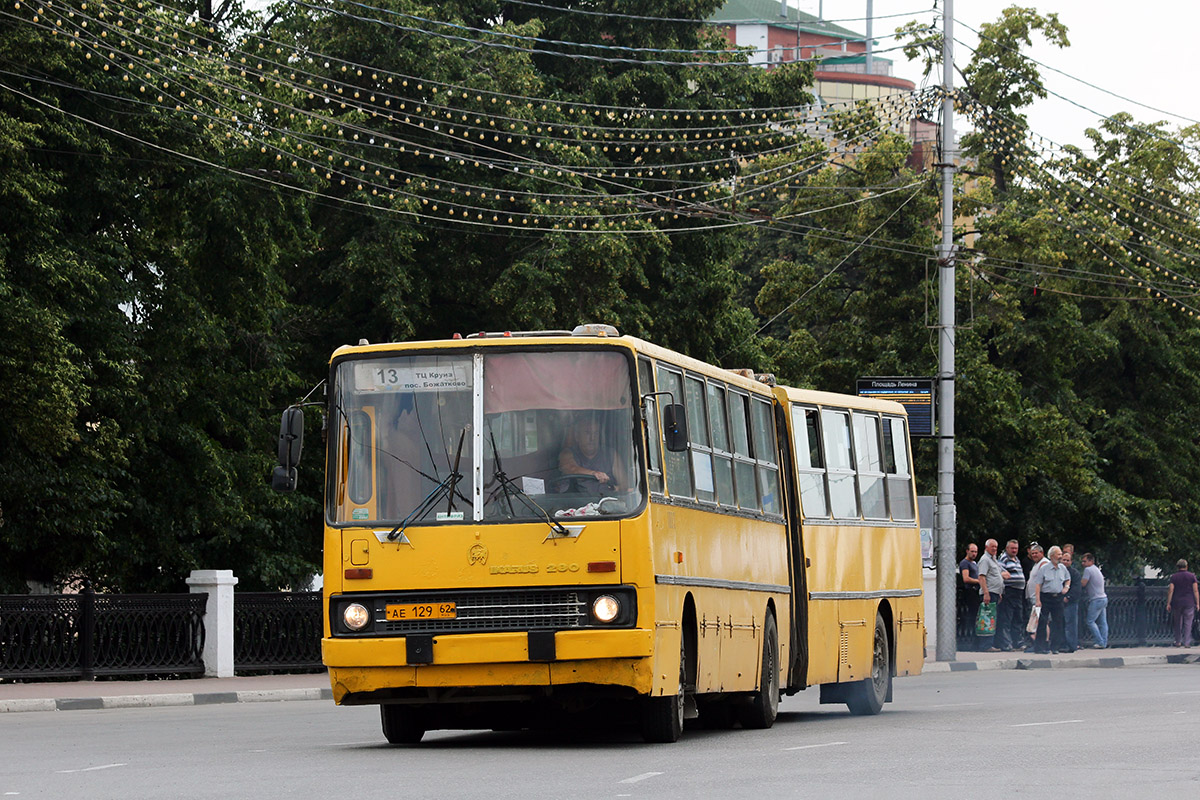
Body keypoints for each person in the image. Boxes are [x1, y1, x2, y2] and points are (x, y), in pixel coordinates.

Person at [559, 413, 625, 491]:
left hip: (605, 501)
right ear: (577, 436)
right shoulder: (567, 453)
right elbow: (571, 469)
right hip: (573, 502)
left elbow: (625, 484)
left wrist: (615, 489)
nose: (592, 438)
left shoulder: (611, 454)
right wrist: (594, 474)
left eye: (596, 433)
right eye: (587, 433)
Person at [1031, 545, 1070, 654]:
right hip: (1046, 597)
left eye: (1061, 554)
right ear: (1052, 556)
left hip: (1057, 598)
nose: (1060, 557)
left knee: (1058, 622)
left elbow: (1068, 579)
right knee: (1043, 622)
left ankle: (1055, 647)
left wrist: (1066, 587)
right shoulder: (1044, 568)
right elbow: (1038, 585)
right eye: (1058, 554)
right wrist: (1037, 600)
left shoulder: (1063, 568)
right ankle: (1040, 647)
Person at [975, 539, 1006, 652]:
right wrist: (986, 593)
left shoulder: (994, 560)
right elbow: (982, 577)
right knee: (987, 619)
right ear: (986, 547)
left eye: (996, 547)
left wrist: (1000, 592)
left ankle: (991, 643)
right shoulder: (985, 560)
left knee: (992, 619)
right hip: (989, 593)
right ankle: (986, 645)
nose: (994, 549)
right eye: (992, 546)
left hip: (995, 593)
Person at [997, 539, 1026, 651]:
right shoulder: (1004, 558)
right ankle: (1006, 643)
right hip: (1009, 591)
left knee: (1018, 618)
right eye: (1012, 548)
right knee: (1006, 618)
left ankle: (1018, 642)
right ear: (1007, 548)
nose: (1014, 550)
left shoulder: (1017, 559)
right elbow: (1000, 572)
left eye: (1016, 548)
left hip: (1018, 593)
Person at [1166, 559, 1199, 648]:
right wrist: (1198, 603)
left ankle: (1178, 641)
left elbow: (1171, 590)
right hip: (1189, 602)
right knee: (1188, 622)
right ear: (1186, 566)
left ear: (1178, 567)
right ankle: (1187, 642)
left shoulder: (1174, 577)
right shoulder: (1192, 576)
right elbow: (1195, 590)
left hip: (1177, 602)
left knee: (1177, 622)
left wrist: (1168, 603)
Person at [1080, 553, 1108, 649]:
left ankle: (1099, 642)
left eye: (1085, 561)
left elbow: (1083, 583)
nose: (1083, 563)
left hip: (1096, 599)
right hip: (1103, 598)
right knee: (1103, 622)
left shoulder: (1088, 570)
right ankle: (1104, 642)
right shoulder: (1096, 569)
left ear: (1091, 561)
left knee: (1090, 621)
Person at [1024, 543, 1048, 650]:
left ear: (1042, 553)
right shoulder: (1037, 564)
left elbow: (1042, 581)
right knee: (1036, 621)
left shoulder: (1044, 563)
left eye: (1036, 553)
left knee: (1040, 621)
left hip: (1038, 597)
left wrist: (1039, 598)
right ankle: (1039, 644)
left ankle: (1043, 644)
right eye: (1032, 553)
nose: (1034, 555)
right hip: (1033, 596)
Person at [1060, 550, 1082, 653]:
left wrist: (1068, 597)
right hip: (1059, 603)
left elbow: (1077, 588)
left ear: (1071, 562)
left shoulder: (1075, 573)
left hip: (1071, 603)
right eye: (1063, 560)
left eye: (1067, 560)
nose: (1065, 562)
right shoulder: (1057, 571)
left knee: (1071, 624)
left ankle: (1071, 645)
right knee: (1060, 624)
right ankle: (1062, 644)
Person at [959, 543, 980, 649]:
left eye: (976, 552)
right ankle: (972, 642)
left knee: (977, 616)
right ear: (967, 551)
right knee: (973, 616)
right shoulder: (965, 563)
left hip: (976, 591)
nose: (974, 554)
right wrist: (979, 581)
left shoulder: (975, 563)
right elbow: (966, 578)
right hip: (970, 591)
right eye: (972, 551)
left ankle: (977, 640)